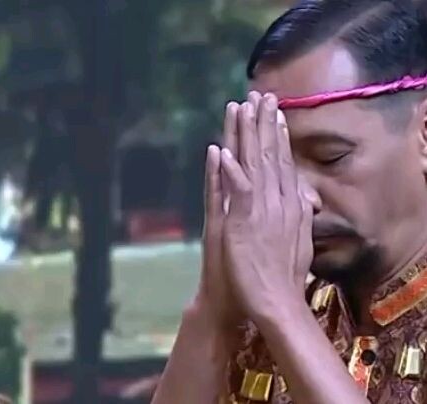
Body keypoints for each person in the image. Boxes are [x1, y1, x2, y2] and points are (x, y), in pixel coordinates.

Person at [152, 1, 427, 403]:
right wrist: (214, 310)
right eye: (274, 165)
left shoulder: (276, 305)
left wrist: (281, 309)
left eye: (330, 157)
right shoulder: (265, 310)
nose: (300, 197)